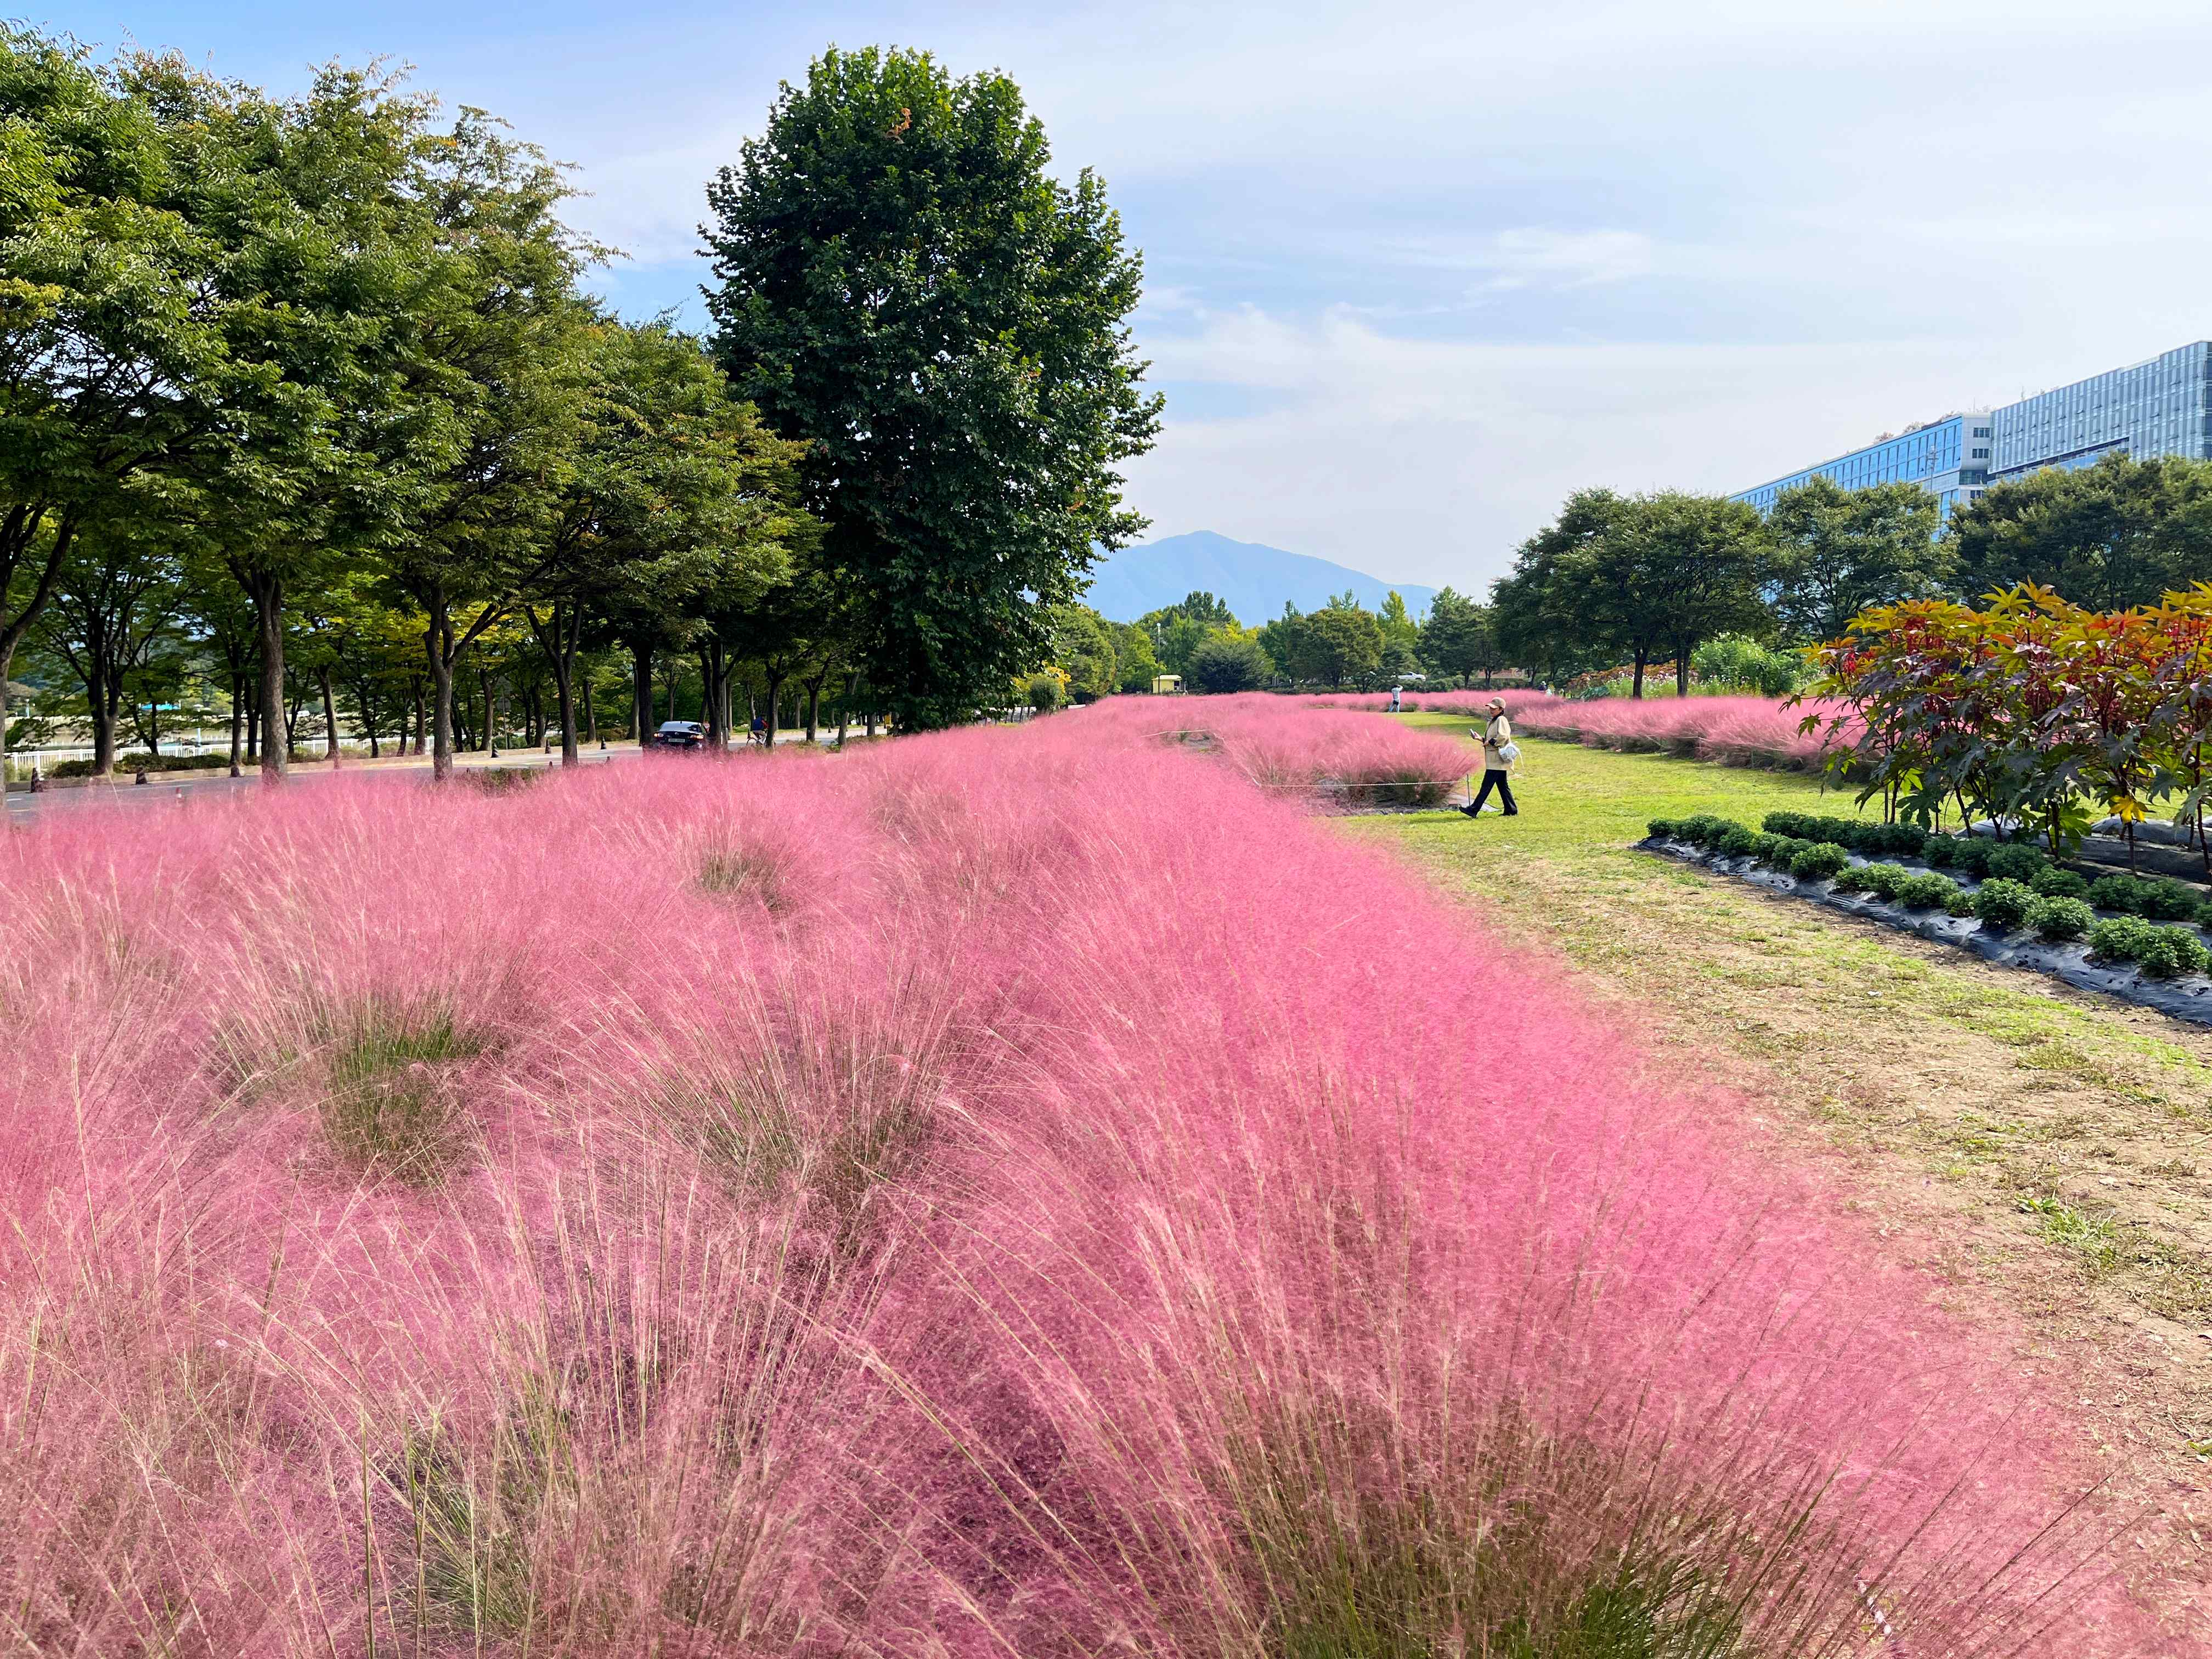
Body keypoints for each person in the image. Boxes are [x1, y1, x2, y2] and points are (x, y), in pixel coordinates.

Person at [1462, 697, 1517, 817]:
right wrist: (1480, 739)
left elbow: (1503, 736)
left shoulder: (1501, 720)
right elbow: (1490, 740)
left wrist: (1490, 742)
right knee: (1503, 786)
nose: (1491, 710)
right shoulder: (1492, 722)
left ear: (1501, 709)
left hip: (1497, 759)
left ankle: (1474, 809)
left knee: (1486, 786)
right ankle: (1511, 810)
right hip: (1494, 759)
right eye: (1490, 708)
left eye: (1494, 708)